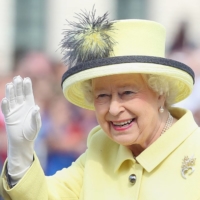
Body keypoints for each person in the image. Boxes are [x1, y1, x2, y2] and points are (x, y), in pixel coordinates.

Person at [0, 9, 199, 200]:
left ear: (160, 93)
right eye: (102, 95)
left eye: (127, 93)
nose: (113, 108)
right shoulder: (100, 150)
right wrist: (21, 153)